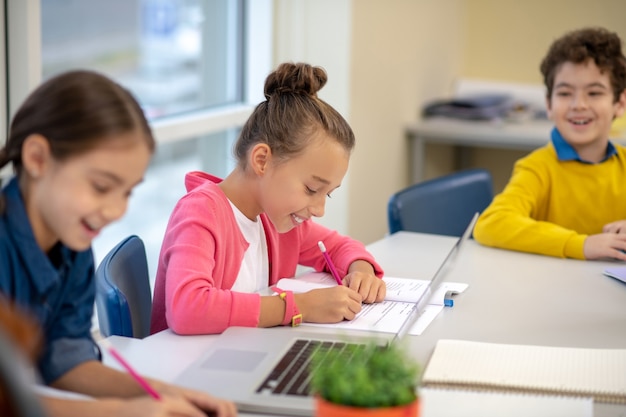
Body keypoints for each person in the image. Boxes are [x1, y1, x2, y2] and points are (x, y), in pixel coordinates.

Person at [0, 70, 237, 417]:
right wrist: (118, 411)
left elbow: (66, 361)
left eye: (126, 191)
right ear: (37, 159)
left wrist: (163, 393)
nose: (116, 210)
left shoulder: (73, 249)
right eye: (100, 186)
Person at [150, 62, 386, 335]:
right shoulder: (201, 213)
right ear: (262, 160)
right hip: (182, 369)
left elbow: (337, 246)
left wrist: (362, 271)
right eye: (311, 189)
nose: (320, 209)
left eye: (328, 194)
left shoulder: (275, 218)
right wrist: (300, 307)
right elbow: (188, 309)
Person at [473, 27, 626, 260]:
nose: (579, 105)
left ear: (620, 103)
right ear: (549, 104)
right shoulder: (537, 168)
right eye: (565, 93)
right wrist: (580, 244)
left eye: (594, 93)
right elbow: (492, 223)